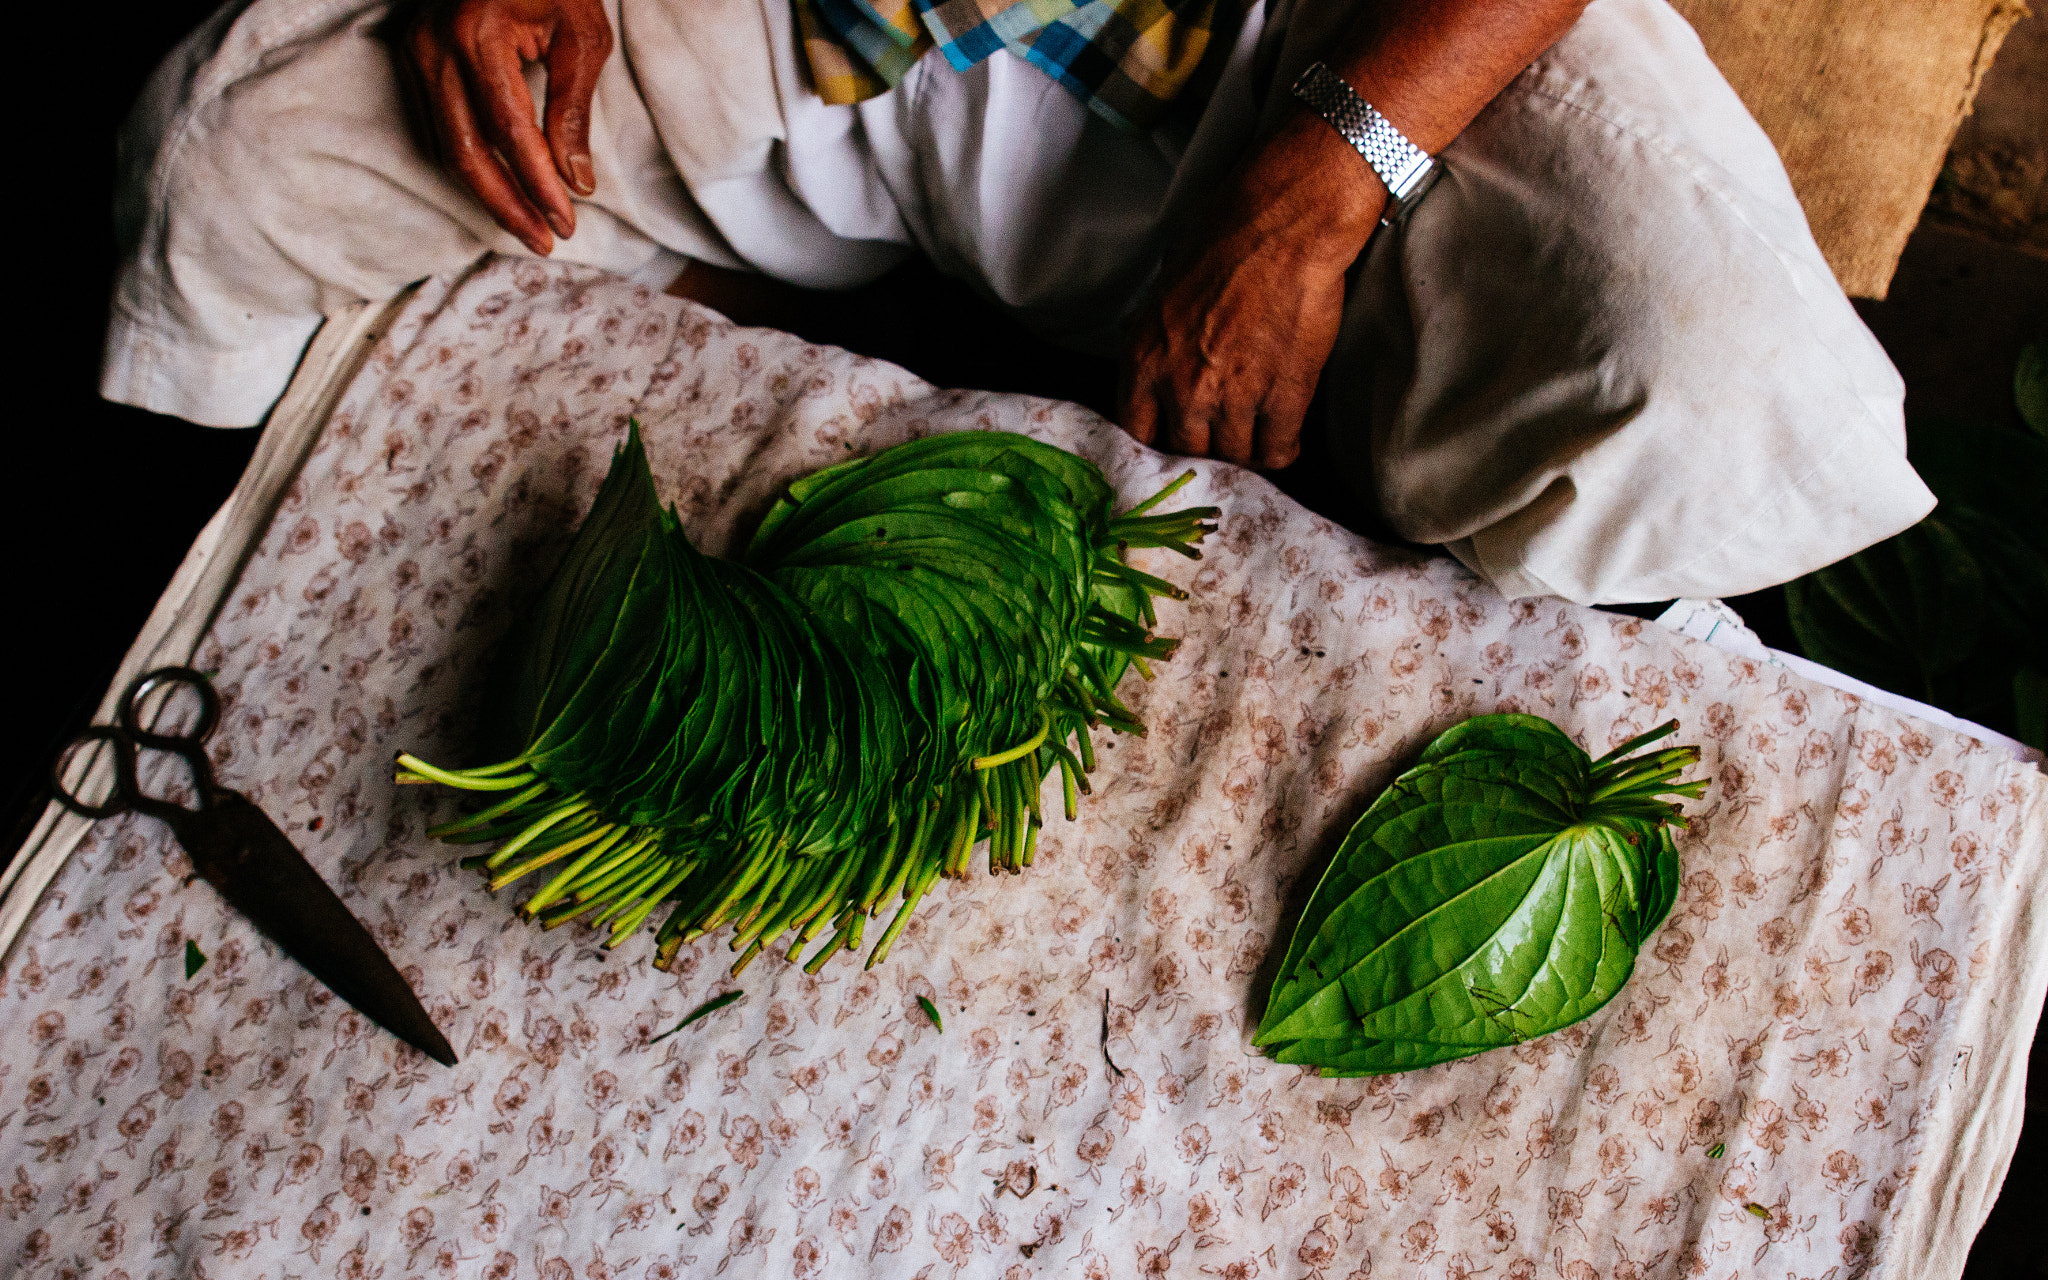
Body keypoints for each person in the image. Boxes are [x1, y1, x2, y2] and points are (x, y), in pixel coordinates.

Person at [101, 0, 1933, 605]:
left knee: (1699, 379)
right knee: (230, 172)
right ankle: (264, 620)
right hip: (834, 33)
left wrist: (1317, 189)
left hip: (1327, 50)